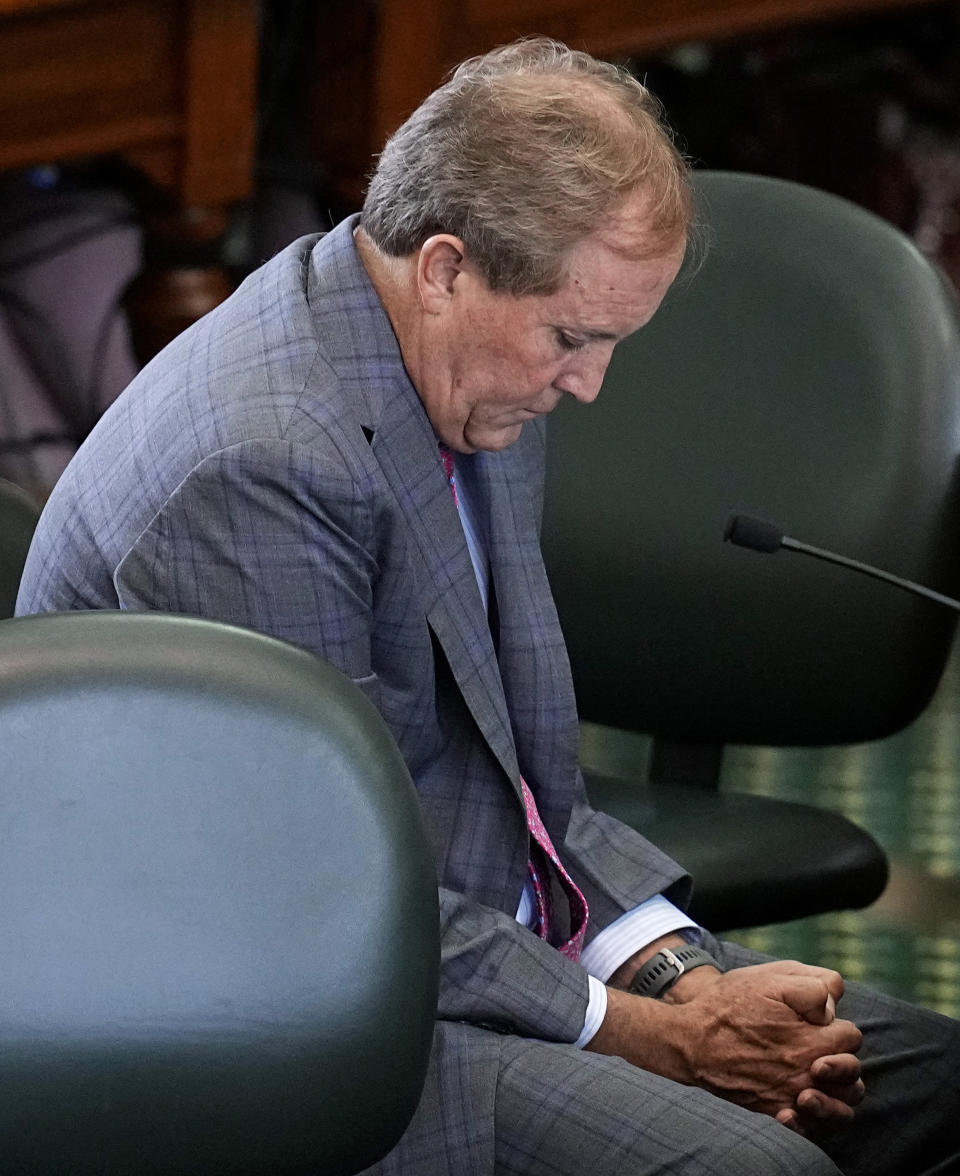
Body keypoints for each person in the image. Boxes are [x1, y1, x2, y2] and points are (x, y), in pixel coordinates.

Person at [16, 37, 960, 1176]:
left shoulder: (463, 376)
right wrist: (656, 1038)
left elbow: (518, 783)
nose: (590, 384)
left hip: (468, 918)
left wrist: (685, 976)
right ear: (448, 268)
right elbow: (331, 899)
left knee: (928, 1082)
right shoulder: (262, 467)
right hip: (287, 1005)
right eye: (574, 337)